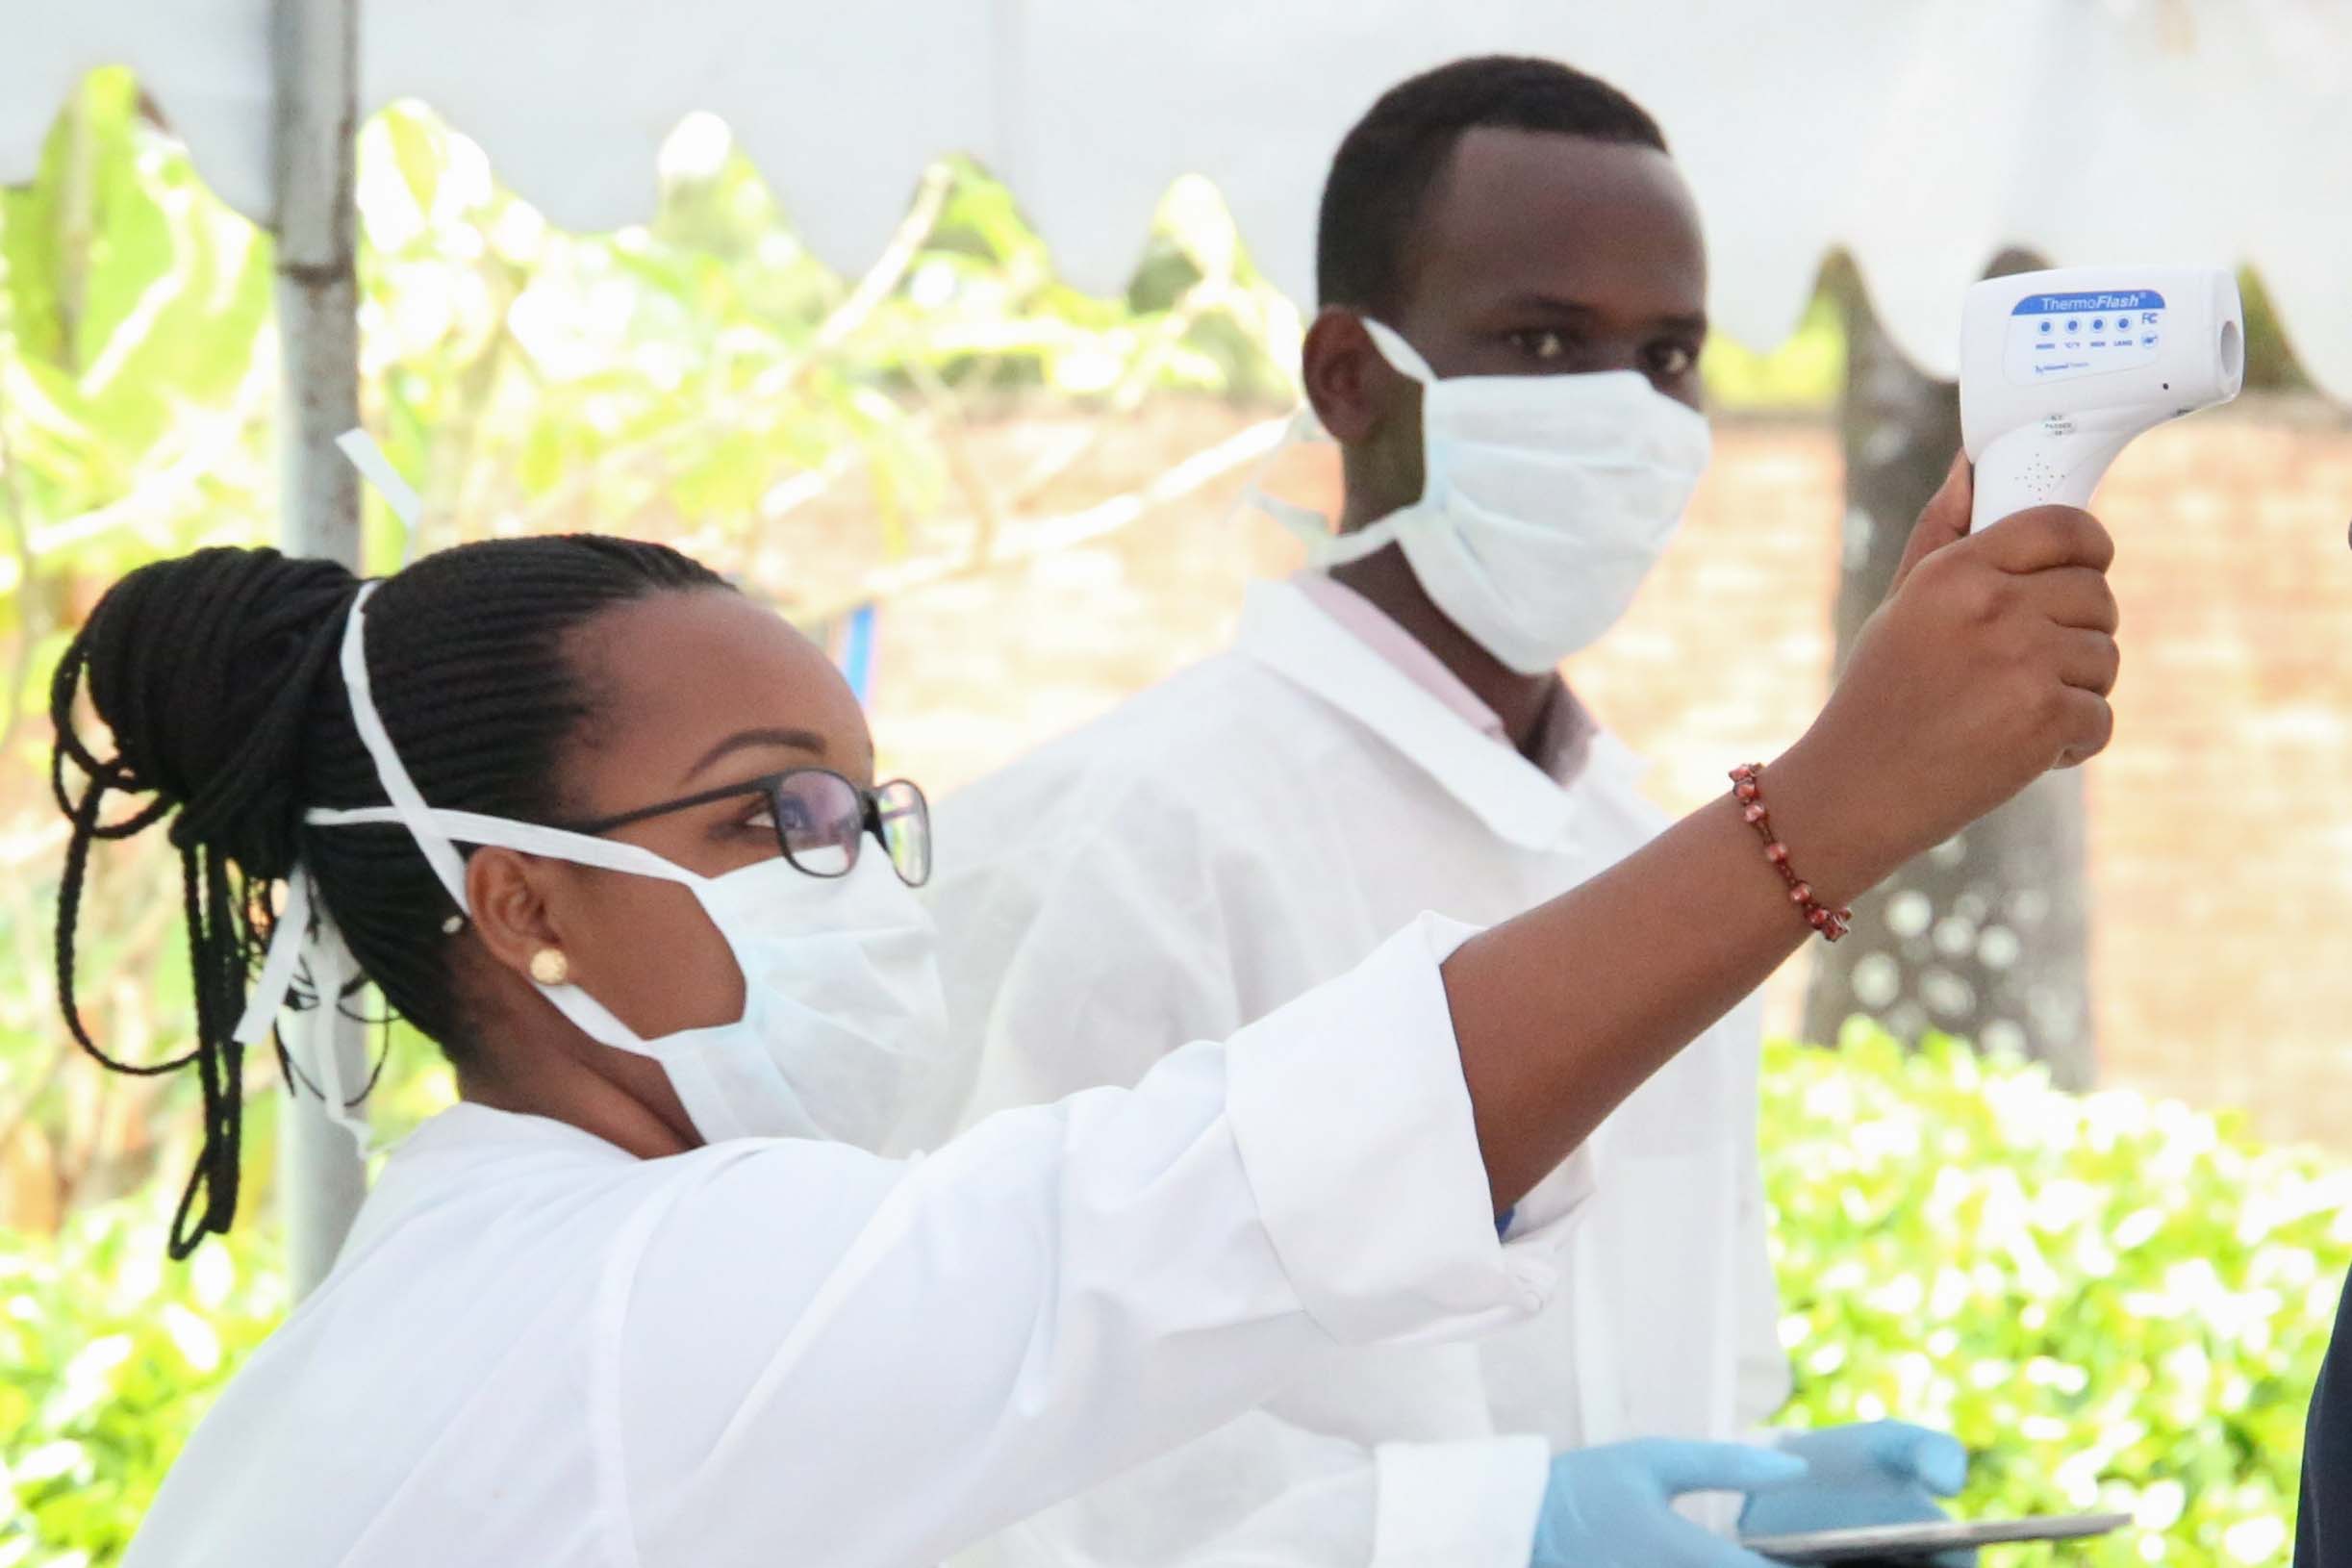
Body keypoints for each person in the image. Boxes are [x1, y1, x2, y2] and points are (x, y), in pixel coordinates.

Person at [54, 477, 2111, 1563]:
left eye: (863, 810)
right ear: (524, 908)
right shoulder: (617, 1294)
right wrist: (1829, 805)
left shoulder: (557, 1258)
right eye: (772, 816)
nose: (857, 875)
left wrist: (1510, 1524)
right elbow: (1204, 1201)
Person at [923, 57, 1989, 1568]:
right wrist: (1485, 1534)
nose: (1622, 413)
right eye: (1542, 341)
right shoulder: (1124, 844)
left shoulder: (1657, 845)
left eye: (1667, 356)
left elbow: (1687, 1345)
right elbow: (1006, 1435)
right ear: (1348, 378)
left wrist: (1753, 1500)